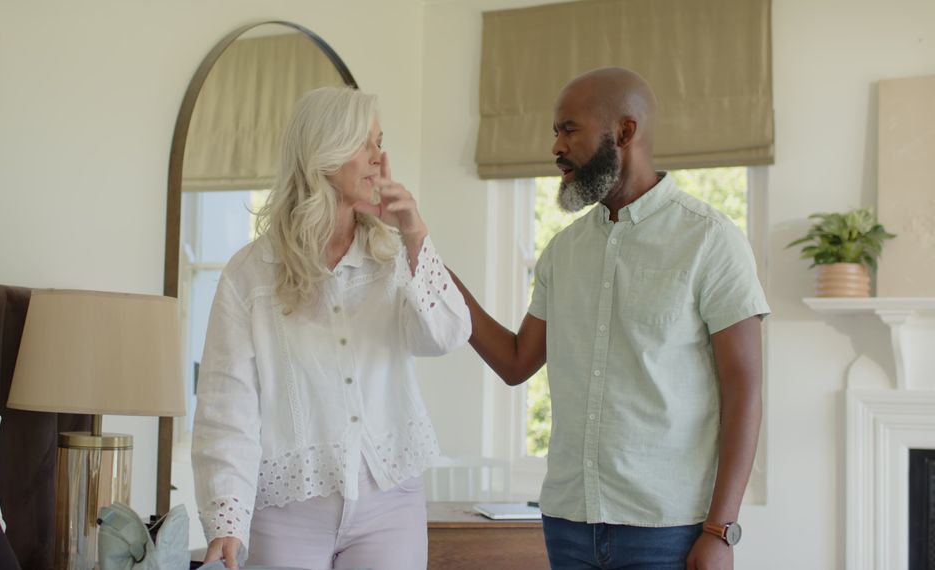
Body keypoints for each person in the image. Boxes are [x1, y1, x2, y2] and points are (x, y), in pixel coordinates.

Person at [448, 67, 770, 570]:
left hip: (669, 530)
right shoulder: (563, 251)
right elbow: (515, 363)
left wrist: (721, 530)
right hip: (568, 523)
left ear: (624, 131)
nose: (556, 146)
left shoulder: (710, 240)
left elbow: (744, 389)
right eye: (555, 131)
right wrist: (433, 274)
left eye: (568, 128)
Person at [192, 86, 471, 570]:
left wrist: (416, 236)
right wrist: (226, 519)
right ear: (325, 150)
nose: (380, 159)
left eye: (381, 142)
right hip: (287, 513)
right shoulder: (251, 273)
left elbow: (447, 335)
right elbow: (227, 404)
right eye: (366, 144)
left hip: (390, 502)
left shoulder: (394, 258)